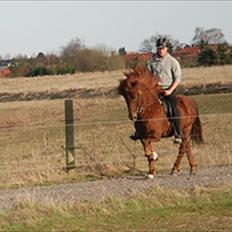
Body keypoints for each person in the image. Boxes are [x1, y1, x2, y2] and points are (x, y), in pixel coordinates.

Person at [130, 37, 183, 144]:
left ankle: (178, 133)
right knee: (141, 106)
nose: (160, 50)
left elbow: (178, 78)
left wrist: (170, 90)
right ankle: (138, 131)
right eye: (159, 48)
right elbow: (148, 76)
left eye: (162, 48)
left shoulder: (172, 62)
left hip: (168, 90)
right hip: (155, 90)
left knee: (173, 108)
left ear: (166, 49)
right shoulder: (151, 62)